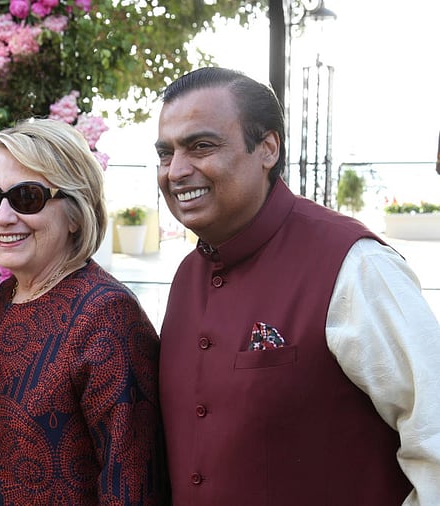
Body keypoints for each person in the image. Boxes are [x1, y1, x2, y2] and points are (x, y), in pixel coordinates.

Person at [154, 66, 440, 505]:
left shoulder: (355, 265)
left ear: (267, 148)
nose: (176, 171)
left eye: (201, 146)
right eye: (165, 153)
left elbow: (433, 432)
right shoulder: (185, 278)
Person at [0, 118, 168, 505]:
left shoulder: (106, 315)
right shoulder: (0, 300)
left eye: (27, 197)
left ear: (75, 213)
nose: (3, 217)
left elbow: (132, 485)